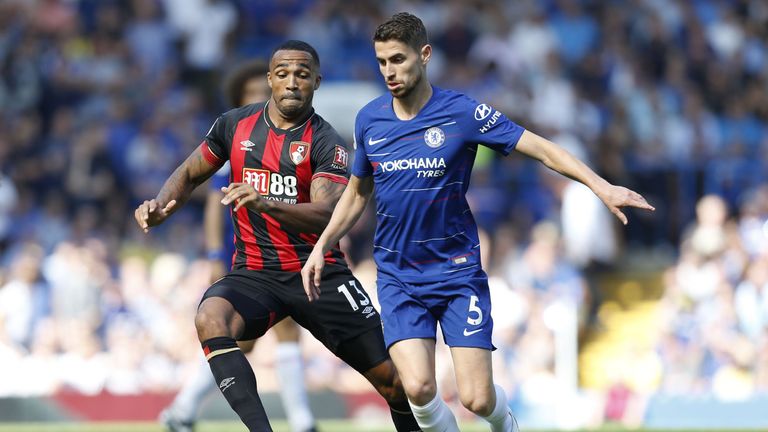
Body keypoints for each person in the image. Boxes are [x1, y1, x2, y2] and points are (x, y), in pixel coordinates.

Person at [301, 13, 655, 432]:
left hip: (456, 272)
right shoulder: (370, 120)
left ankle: (506, 423)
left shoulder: (463, 112)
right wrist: (322, 245)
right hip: (398, 274)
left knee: (477, 398)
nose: (389, 72)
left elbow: (539, 148)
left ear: (425, 55)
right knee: (417, 388)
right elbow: (358, 193)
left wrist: (600, 185)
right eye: (382, 62)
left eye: (398, 59)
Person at [135, 40, 421, 432]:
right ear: (270, 79)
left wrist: (266, 203)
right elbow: (189, 173)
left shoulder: (326, 143)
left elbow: (326, 214)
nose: (291, 83)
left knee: (396, 384)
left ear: (316, 82)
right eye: (283, 74)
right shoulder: (234, 125)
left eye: (302, 75)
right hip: (255, 273)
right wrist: (161, 204)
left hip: (318, 274)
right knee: (210, 317)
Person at [160, 60, 318, 432]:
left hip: (282, 248)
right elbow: (216, 204)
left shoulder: (292, 139)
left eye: (262, 93)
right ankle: (303, 421)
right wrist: (216, 254)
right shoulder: (234, 141)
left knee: (243, 343)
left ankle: (181, 411)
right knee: (284, 329)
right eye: (250, 94)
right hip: (246, 255)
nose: (259, 100)